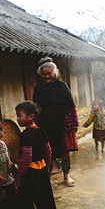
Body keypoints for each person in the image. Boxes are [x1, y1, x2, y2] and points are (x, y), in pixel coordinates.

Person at [14, 101, 58, 209]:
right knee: (43, 194)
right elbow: (48, 150)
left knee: (26, 199)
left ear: (31, 116)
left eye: (20, 115)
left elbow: (26, 157)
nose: (18, 119)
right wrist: (48, 167)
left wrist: (20, 174)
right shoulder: (41, 131)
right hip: (42, 168)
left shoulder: (26, 134)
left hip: (30, 171)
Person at [33, 57, 78, 187]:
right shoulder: (38, 88)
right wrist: (35, 123)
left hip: (63, 120)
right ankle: (49, 176)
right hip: (45, 121)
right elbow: (35, 107)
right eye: (44, 74)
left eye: (49, 73)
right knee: (47, 150)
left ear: (55, 72)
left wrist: (75, 122)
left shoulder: (62, 86)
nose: (47, 76)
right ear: (40, 74)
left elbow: (72, 105)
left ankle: (66, 175)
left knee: (65, 150)